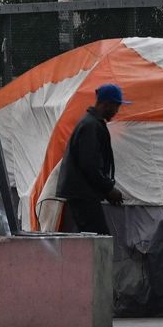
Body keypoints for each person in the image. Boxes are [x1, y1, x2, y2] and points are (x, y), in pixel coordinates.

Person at [58, 82, 129, 235]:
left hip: (82, 191)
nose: (117, 111)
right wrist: (108, 189)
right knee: (99, 238)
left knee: (93, 236)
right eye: (116, 106)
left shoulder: (91, 122)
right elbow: (90, 164)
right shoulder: (91, 125)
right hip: (82, 192)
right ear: (106, 104)